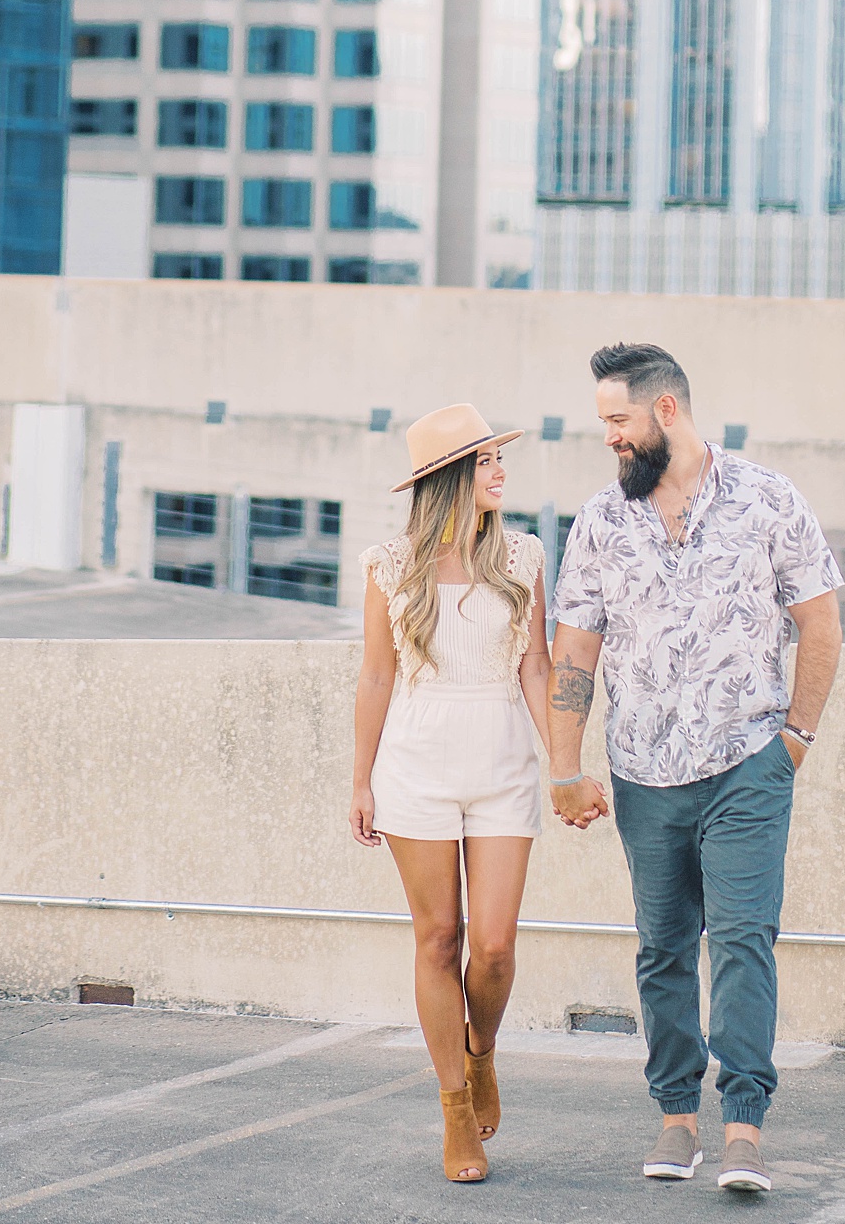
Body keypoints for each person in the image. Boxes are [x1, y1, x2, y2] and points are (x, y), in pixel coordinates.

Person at [547, 342, 843, 1194]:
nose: (608, 438)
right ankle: (678, 1118)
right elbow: (575, 651)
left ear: (665, 411)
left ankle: (744, 1126)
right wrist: (565, 765)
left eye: (617, 421)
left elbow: (819, 623)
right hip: (642, 774)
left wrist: (795, 740)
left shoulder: (767, 499)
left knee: (745, 942)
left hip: (748, 762)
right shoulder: (601, 522)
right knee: (663, 949)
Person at [350, 403, 550, 1185]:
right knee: (439, 938)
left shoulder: (526, 557)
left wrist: (562, 763)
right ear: (450, 478)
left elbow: (536, 667)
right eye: (486, 461)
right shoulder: (390, 565)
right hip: (415, 767)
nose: (501, 470)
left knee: (493, 946)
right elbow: (376, 674)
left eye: (499, 458)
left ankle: (483, 1049)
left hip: (503, 761)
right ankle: (454, 1106)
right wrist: (360, 780)